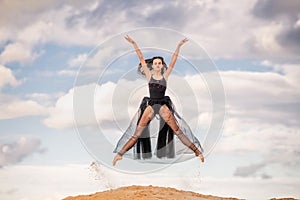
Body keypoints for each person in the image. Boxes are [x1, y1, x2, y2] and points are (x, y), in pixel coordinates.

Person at [113, 35, 204, 166]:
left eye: (159, 63)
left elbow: (173, 61)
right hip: (150, 105)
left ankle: (197, 152)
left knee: (178, 131)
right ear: (153, 65)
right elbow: (141, 58)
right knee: (137, 134)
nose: (157, 65)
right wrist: (134, 43)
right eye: (155, 63)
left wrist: (178, 46)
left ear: (162, 66)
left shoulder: (165, 76)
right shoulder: (149, 76)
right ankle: (119, 155)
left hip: (162, 105)